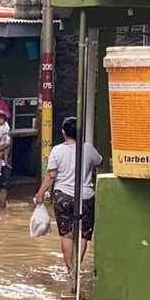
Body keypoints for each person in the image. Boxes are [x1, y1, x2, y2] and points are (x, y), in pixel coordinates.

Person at [34, 117, 103, 275]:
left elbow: (51, 175)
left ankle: (70, 270)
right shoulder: (88, 149)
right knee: (84, 234)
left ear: (63, 132)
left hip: (62, 197)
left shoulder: (57, 150)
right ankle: (77, 266)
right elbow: (99, 162)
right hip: (85, 197)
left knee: (66, 234)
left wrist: (40, 194)